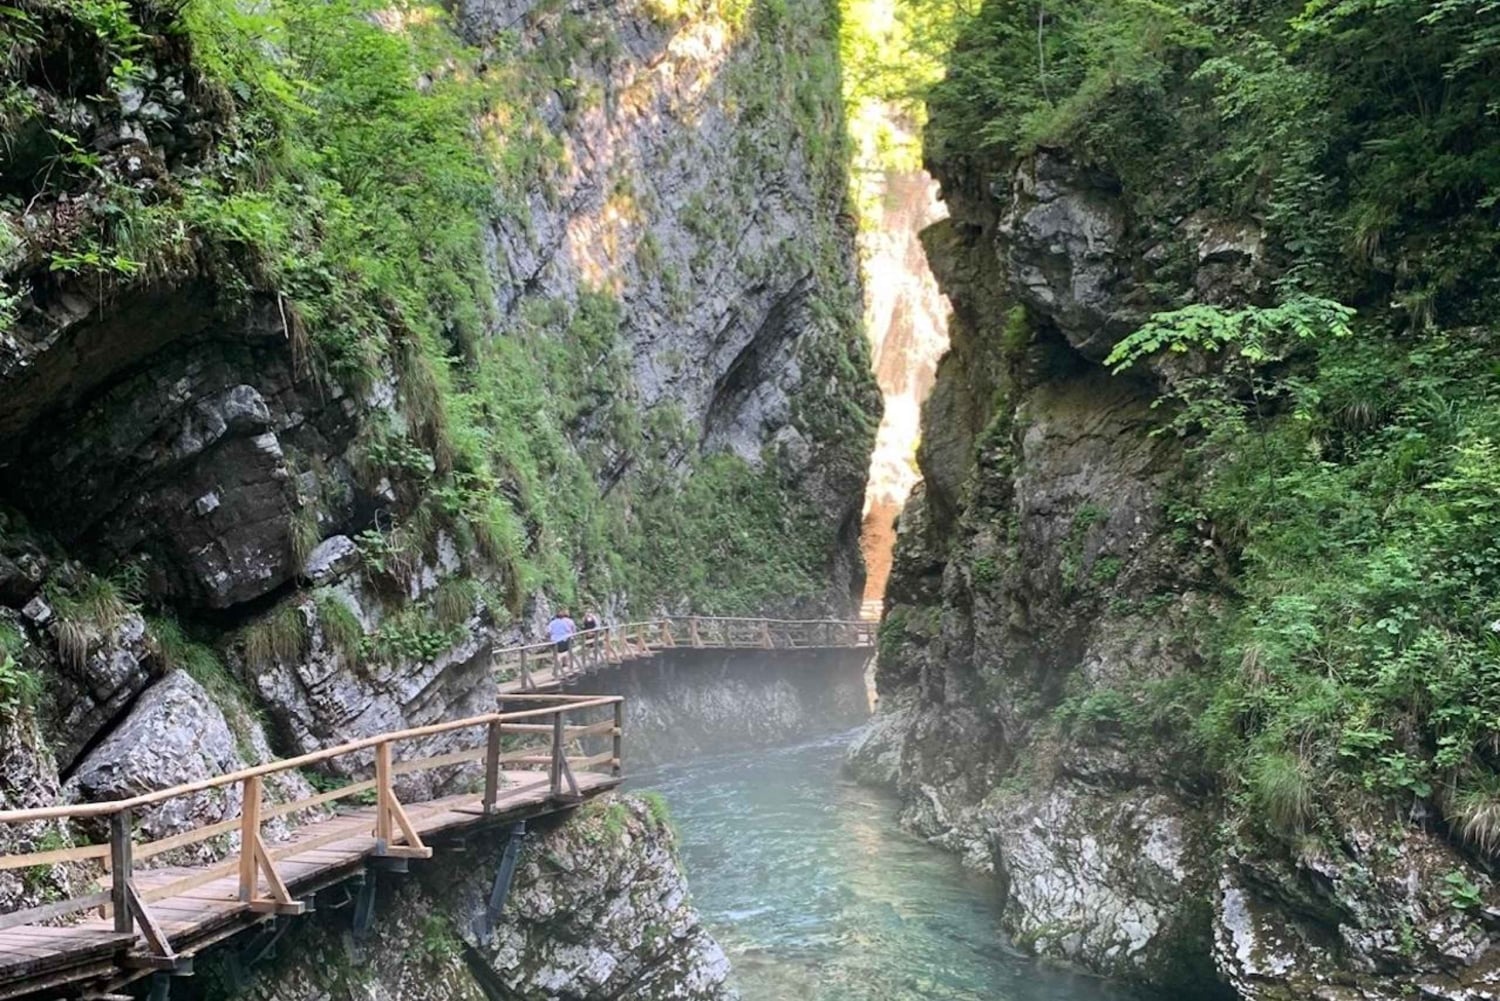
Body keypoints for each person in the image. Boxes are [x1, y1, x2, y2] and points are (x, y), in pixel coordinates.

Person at [547, 608, 577, 676]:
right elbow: (570, 630)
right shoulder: (565, 622)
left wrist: (552, 637)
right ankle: (568, 667)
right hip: (565, 640)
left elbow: (549, 631)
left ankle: (557, 668)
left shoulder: (552, 623)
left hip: (555, 641)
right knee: (567, 652)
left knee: (558, 654)